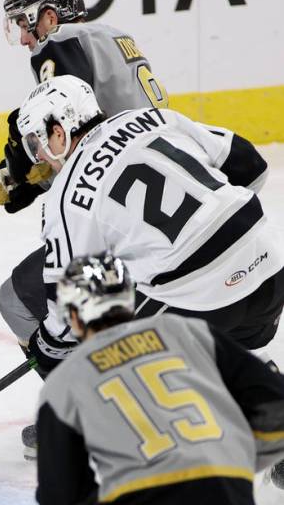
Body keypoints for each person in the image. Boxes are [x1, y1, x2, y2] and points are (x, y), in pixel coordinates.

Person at [17, 74, 283, 475]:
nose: (41, 156)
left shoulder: (66, 195)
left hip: (208, 299)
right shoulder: (152, 119)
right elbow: (250, 164)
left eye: (39, 142)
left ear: (60, 130)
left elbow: (68, 300)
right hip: (271, 267)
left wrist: (46, 345)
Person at [25, 252, 284, 505]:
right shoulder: (191, 332)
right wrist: (228, 471)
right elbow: (277, 412)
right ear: (130, 301)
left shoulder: (65, 382)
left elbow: (60, 502)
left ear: (74, 317)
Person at [0, 0, 181, 458]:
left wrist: (18, 174)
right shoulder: (114, 38)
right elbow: (101, 136)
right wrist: (24, 178)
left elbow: (75, 143)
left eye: (27, 21)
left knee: (21, 300)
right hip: (176, 206)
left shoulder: (62, 45)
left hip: (125, 225)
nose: (25, 37)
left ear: (51, 15)